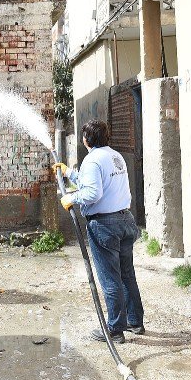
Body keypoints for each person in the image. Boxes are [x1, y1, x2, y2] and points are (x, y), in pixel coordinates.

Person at [54, 119, 144, 344]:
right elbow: (96, 183)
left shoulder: (92, 160)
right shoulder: (115, 156)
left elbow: (92, 193)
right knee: (126, 274)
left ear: (86, 140)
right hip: (125, 220)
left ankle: (114, 329)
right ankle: (135, 321)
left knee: (110, 278)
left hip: (105, 225)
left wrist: (70, 197)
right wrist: (69, 174)